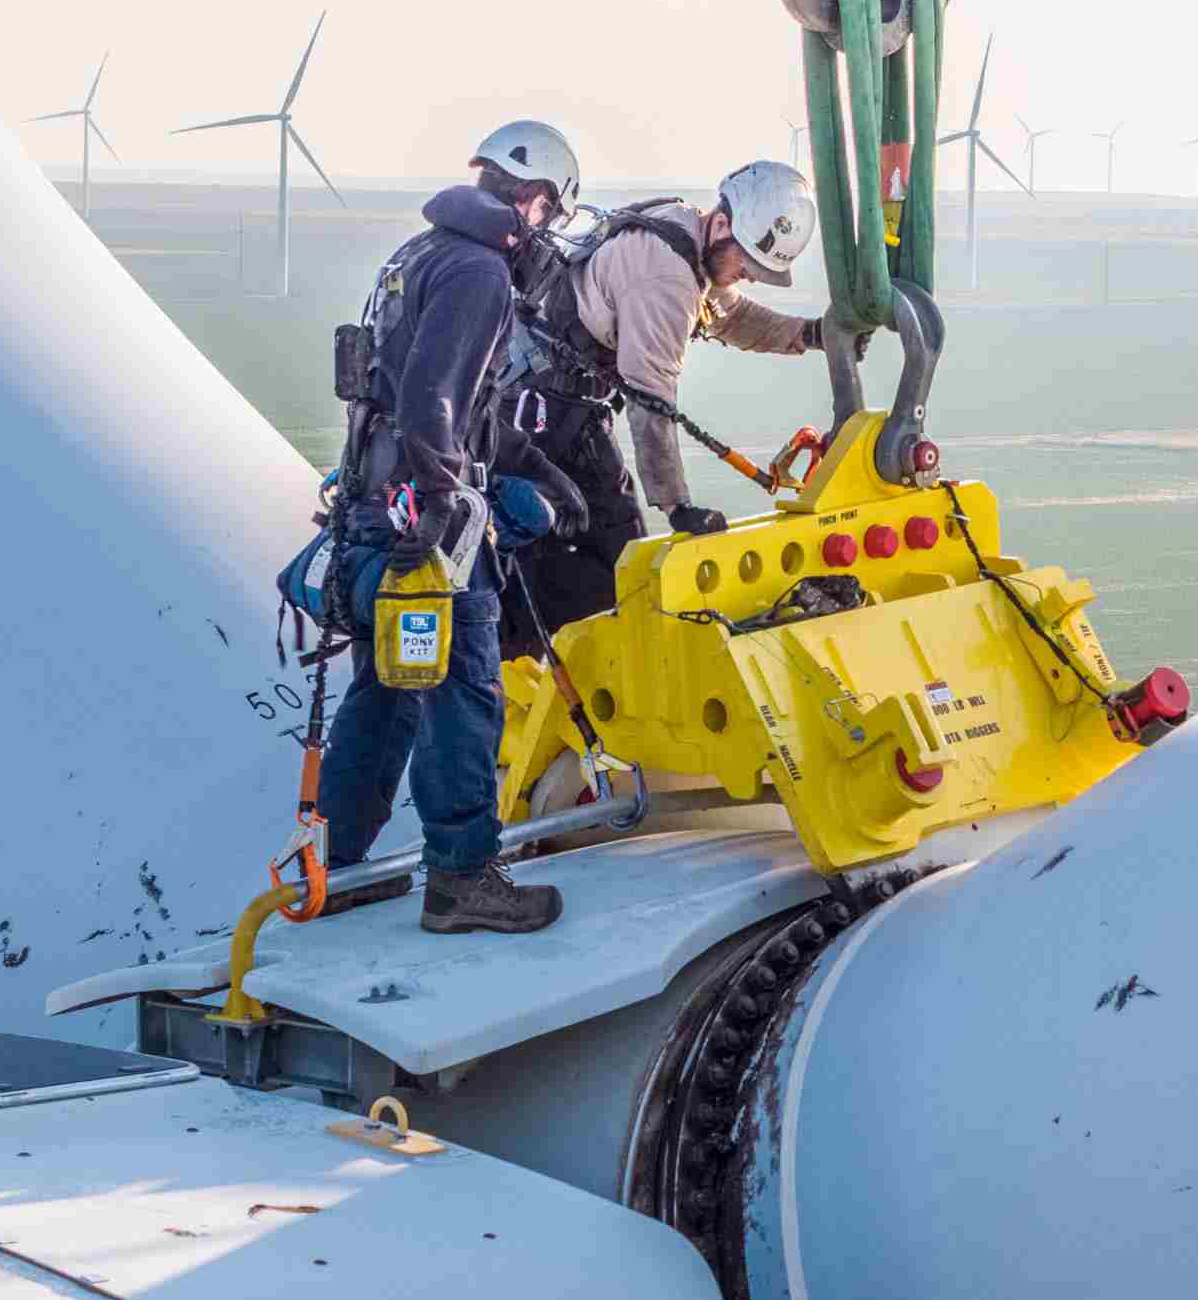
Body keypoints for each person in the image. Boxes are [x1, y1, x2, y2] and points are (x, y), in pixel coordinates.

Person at [314, 121, 586, 935]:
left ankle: (339, 867)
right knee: (466, 687)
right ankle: (464, 875)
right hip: (429, 523)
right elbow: (435, 398)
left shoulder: (416, 255)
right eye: (550, 214)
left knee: (387, 690)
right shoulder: (478, 272)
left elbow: (435, 403)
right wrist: (442, 502)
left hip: (374, 505)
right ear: (534, 202)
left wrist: (532, 467)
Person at [495, 158, 857, 659]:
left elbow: (729, 315)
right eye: (747, 264)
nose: (748, 276)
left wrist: (809, 335)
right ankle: (515, 672)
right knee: (550, 545)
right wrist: (676, 504)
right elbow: (650, 394)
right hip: (543, 414)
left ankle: (570, 657)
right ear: (724, 225)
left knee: (619, 553)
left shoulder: (686, 233)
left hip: (567, 406)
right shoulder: (665, 276)